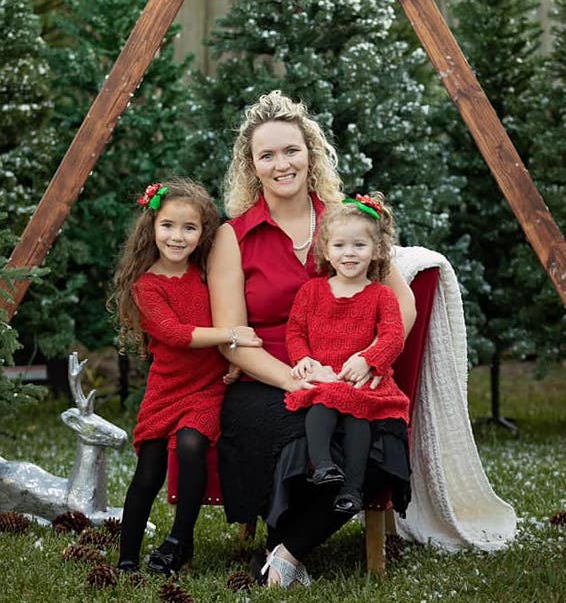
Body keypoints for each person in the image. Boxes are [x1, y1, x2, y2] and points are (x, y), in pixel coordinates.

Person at [207, 91, 417, 588]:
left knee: (377, 440)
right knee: (297, 437)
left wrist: (369, 360)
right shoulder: (234, 236)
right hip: (272, 377)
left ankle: (286, 551)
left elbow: (401, 306)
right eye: (267, 155)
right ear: (251, 166)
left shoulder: (346, 223)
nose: (282, 164)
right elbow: (234, 340)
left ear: (311, 153)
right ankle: (289, 542)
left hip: (351, 376)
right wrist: (298, 379)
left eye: (291, 150)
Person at [110, 178, 262, 575]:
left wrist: (234, 357)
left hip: (207, 388)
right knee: (149, 471)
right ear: (152, 227)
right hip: (165, 388)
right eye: (168, 226)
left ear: (203, 233)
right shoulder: (146, 287)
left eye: (189, 228)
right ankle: (127, 558)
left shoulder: (206, 273)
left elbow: (229, 310)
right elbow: (176, 334)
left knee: (193, 444)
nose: (178, 237)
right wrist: (231, 336)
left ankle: (180, 537)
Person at [284, 193, 410, 517]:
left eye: (359, 246)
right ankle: (322, 465)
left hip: (361, 382)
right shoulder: (311, 291)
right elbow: (295, 331)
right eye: (340, 246)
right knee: (321, 406)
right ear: (326, 250)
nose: (349, 254)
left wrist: (369, 359)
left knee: (358, 419)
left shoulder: (381, 295)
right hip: (325, 376)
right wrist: (303, 360)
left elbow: (394, 336)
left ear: (377, 250)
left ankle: (352, 490)